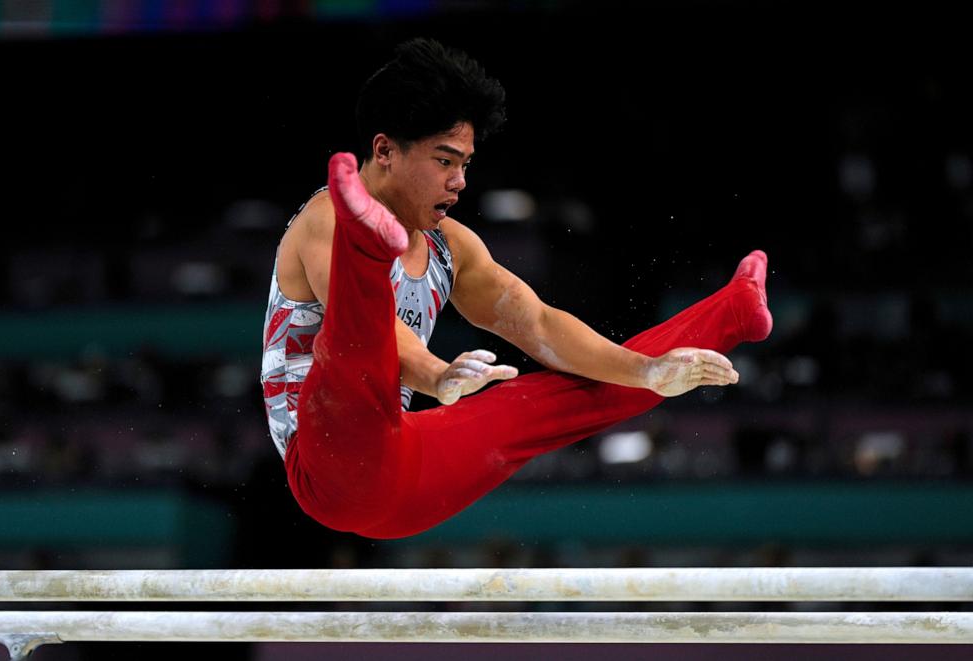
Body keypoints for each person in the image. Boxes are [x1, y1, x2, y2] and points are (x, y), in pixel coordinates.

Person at [260, 38, 773, 539]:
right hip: (326, 464)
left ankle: (734, 310)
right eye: (444, 161)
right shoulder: (324, 218)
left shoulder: (452, 247)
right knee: (351, 347)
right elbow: (383, 338)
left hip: (405, 472)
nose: (460, 181)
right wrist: (439, 377)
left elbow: (541, 324)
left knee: (581, 391)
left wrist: (647, 368)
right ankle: (367, 248)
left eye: (465, 164)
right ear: (385, 150)